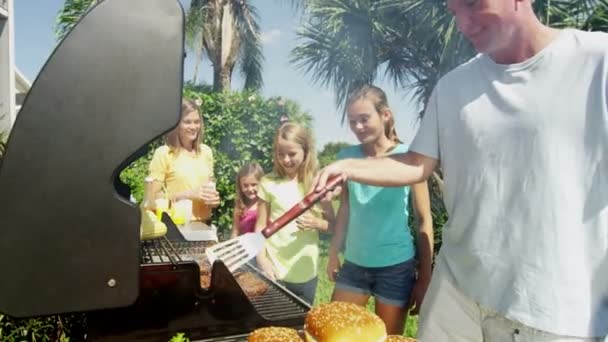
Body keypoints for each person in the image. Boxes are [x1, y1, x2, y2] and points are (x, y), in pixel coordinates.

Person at [312, 0, 608, 340]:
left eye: (472, 4)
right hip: (456, 293)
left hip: (553, 309)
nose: (464, 24)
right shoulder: (453, 86)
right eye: (455, 11)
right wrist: (346, 166)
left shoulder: (597, 60)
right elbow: (415, 164)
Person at [327, 85, 434, 335]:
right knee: (335, 335)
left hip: (396, 268)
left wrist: (425, 276)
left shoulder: (408, 157)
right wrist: (333, 252)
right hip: (353, 265)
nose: (358, 127)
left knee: (388, 339)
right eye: (352, 121)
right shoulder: (347, 157)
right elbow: (345, 209)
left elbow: (423, 219)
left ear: (385, 114)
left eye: (364, 119)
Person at [255, 122, 335, 305]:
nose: (286, 160)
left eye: (292, 154)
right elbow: (259, 227)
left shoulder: (318, 185)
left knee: (300, 327)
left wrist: (318, 223)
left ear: (306, 152)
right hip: (275, 271)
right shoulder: (268, 182)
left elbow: (334, 225)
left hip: (306, 273)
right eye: (280, 154)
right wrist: (262, 260)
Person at [144, 98, 220, 229]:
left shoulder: (206, 152)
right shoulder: (164, 153)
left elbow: (208, 191)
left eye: (197, 122)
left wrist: (214, 201)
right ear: (176, 125)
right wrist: (187, 195)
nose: (193, 127)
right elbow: (152, 199)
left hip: (205, 226)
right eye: (187, 122)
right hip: (176, 229)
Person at [230, 162, 264, 239]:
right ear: (240, 186)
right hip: (245, 249)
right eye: (245, 185)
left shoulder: (266, 205)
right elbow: (235, 231)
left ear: (261, 183)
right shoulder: (240, 207)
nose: (250, 189)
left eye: (254, 184)